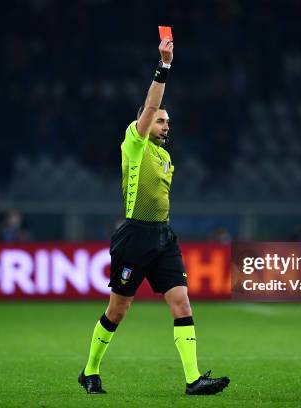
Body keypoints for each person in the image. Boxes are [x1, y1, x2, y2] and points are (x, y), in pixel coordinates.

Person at [78, 38, 230, 396]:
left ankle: (193, 380)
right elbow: (150, 103)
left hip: (163, 237)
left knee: (182, 302)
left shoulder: (166, 159)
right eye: (160, 120)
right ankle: (90, 370)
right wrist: (164, 66)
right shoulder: (135, 142)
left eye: (167, 122)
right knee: (118, 311)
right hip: (134, 236)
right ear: (145, 122)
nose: (164, 124)